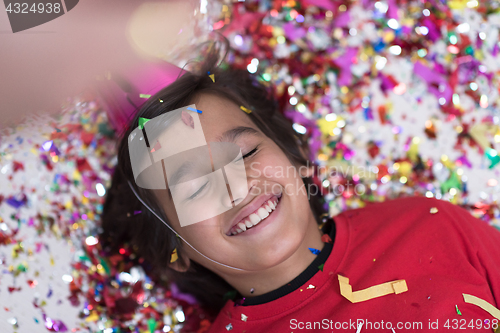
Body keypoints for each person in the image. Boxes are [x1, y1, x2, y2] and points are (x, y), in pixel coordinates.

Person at [100, 39, 500, 332]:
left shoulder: (427, 225)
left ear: (297, 160)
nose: (237, 187)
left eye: (244, 154)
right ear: (175, 250)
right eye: (195, 188)